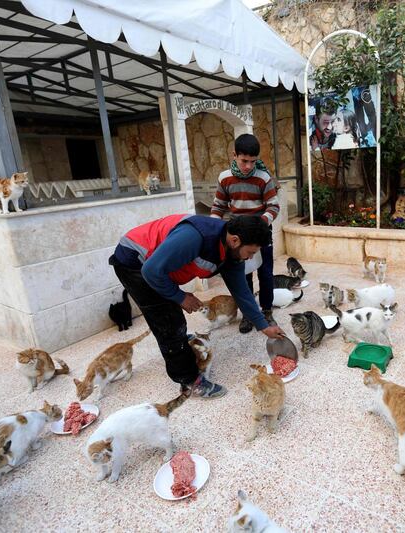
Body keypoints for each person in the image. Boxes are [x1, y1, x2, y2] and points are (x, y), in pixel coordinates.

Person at [109, 214, 285, 399]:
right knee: (169, 321)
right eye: (249, 252)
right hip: (135, 262)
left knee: (171, 311)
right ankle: (190, 381)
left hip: (156, 266)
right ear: (235, 240)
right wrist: (180, 296)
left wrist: (264, 326)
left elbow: (242, 293)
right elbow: (151, 271)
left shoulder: (231, 254)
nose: (249, 258)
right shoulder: (195, 237)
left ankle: (180, 347)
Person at [211, 133, 280, 334]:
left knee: (266, 273)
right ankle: (249, 314)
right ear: (234, 155)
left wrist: (260, 223)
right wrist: (214, 227)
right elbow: (218, 206)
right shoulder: (224, 178)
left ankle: (266, 311)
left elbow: (273, 207)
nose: (248, 166)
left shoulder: (264, 178)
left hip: (261, 234)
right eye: (244, 161)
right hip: (239, 236)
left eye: (253, 161)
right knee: (244, 275)